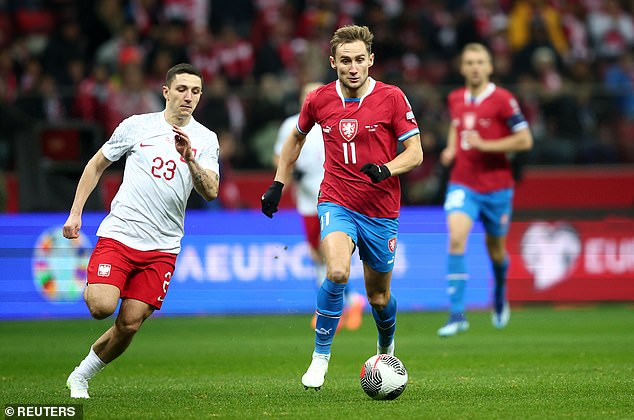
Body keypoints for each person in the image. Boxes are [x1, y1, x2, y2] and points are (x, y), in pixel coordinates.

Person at [261, 25, 423, 390]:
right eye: (345, 61)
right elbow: (295, 139)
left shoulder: (392, 97)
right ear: (333, 62)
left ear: (371, 61)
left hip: (381, 210)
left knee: (379, 298)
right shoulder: (318, 99)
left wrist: (386, 169)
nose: (353, 67)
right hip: (337, 200)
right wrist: (277, 183)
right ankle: (320, 358)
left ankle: (385, 346)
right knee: (335, 272)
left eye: (359, 60)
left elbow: (415, 153)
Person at [63, 63, 220, 398]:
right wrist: (75, 213)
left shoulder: (206, 139)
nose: (188, 97)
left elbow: (211, 192)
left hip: (163, 248)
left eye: (195, 91)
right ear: (166, 91)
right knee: (101, 307)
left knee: (130, 322)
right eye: (181, 89)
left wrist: (190, 159)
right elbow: (97, 164)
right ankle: (103, 279)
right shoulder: (137, 127)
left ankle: (80, 376)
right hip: (121, 236)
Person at [437, 43, 533, 337]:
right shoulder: (455, 98)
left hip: (497, 187)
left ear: (490, 67)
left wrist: (486, 145)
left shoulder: (504, 99)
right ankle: (457, 314)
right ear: (462, 67)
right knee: (456, 238)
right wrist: (452, 149)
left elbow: (525, 140)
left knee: (496, 252)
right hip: (463, 182)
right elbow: (457, 125)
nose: (475, 67)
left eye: (480, 62)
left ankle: (500, 290)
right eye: (470, 62)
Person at [273, 82, 366, 332]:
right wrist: (290, 175)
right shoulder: (292, 125)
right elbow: (280, 155)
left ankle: (333, 307)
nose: (311, 98)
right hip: (306, 199)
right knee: (317, 254)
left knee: (331, 252)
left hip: (335, 199)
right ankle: (347, 300)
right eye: (307, 94)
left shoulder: (336, 118)